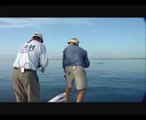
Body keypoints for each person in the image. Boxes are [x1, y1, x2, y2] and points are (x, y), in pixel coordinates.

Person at [12, 32, 48, 102]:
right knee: (33, 97)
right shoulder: (41, 45)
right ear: (40, 40)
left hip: (15, 72)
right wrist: (39, 64)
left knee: (20, 98)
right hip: (28, 74)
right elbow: (44, 64)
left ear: (32, 38)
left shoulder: (23, 45)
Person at [62, 38, 90, 102]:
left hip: (67, 69)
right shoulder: (83, 51)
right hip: (79, 69)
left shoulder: (65, 49)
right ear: (77, 44)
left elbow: (63, 63)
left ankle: (68, 101)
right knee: (82, 89)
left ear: (71, 43)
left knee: (69, 86)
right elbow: (87, 64)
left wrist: (65, 71)